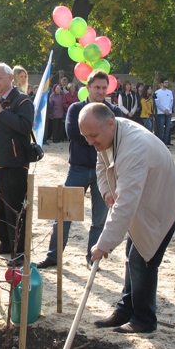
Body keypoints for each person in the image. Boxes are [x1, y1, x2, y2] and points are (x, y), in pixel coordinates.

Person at [80, 103, 175, 334]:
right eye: (86, 137)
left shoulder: (134, 147)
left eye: (93, 136)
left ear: (110, 123)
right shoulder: (109, 135)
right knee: (133, 255)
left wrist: (103, 244)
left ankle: (144, 319)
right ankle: (125, 309)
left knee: (143, 258)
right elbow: (101, 164)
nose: (90, 142)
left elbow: (126, 205)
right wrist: (106, 191)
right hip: (143, 201)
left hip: (163, 203)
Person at [37, 70, 116, 270]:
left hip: (105, 172)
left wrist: (90, 134)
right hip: (78, 169)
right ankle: (53, 256)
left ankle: (92, 258)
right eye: (97, 87)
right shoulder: (75, 109)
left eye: (104, 88)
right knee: (63, 215)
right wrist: (100, 134)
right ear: (88, 87)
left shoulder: (113, 111)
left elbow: (116, 137)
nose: (101, 91)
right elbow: (72, 132)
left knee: (99, 219)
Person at [0, 63, 34, 267]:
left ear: (10, 78)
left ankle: (19, 250)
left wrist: (1, 112)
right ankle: (5, 243)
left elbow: (24, 127)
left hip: (14, 163)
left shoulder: (22, 100)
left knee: (15, 208)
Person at [154, 78, 174, 145]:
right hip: (161, 113)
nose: (167, 84)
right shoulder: (157, 92)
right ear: (161, 83)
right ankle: (160, 142)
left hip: (169, 112)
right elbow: (157, 103)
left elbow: (171, 101)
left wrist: (168, 109)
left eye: (167, 82)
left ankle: (166, 142)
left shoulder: (170, 92)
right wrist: (164, 110)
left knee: (168, 128)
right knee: (161, 128)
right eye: (165, 82)